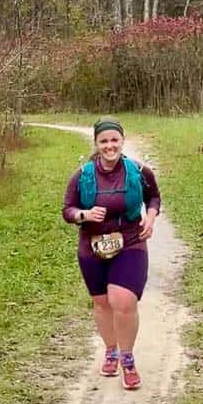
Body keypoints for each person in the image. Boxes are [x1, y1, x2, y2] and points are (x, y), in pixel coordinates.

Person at [63, 117, 161, 390]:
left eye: (114, 140)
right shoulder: (82, 175)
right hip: (92, 245)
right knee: (102, 303)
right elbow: (67, 210)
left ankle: (127, 360)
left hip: (131, 241)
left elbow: (153, 197)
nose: (110, 146)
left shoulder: (139, 171)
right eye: (104, 141)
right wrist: (83, 213)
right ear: (96, 144)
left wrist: (150, 218)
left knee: (124, 300)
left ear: (122, 141)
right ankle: (111, 351)